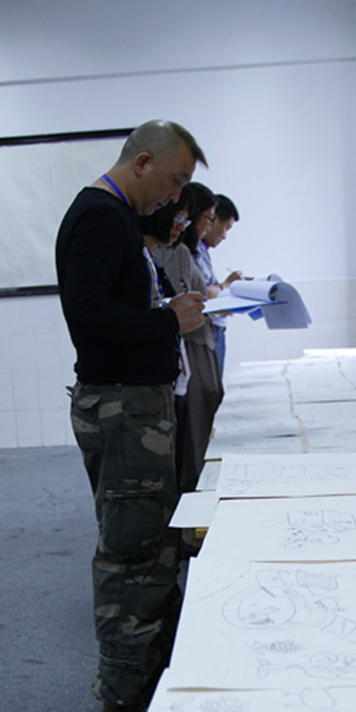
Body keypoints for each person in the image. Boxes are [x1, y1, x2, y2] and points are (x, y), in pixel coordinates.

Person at [55, 120, 207, 712]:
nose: (174, 197)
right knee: (130, 553)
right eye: (173, 181)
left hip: (137, 409)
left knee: (153, 546)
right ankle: (122, 696)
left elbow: (120, 305)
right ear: (142, 162)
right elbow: (88, 315)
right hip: (122, 410)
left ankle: (149, 676)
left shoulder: (117, 218)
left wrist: (166, 311)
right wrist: (170, 321)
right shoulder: (99, 216)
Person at [149, 184, 223, 492]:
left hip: (193, 344)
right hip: (186, 348)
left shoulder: (183, 251)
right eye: (180, 217)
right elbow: (193, 300)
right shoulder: (169, 252)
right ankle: (192, 490)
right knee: (192, 426)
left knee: (198, 419)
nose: (184, 225)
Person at [194, 193, 241, 375]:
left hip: (215, 328)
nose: (225, 236)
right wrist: (227, 285)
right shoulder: (193, 249)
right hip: (208, 329)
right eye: (226, 227)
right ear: (213, 219)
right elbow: (203, 293)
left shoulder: (202, 249)